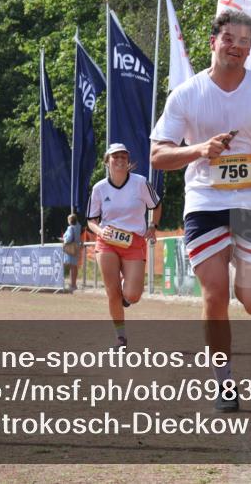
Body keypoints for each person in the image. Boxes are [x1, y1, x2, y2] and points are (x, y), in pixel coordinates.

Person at [150, 9, 251, 413]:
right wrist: (199, 149)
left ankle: (245, 270)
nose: (237, 46)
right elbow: (157, 155)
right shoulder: (186, 94)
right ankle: (224, 382)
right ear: (213, 42)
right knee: (214, 294)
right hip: (206, 202)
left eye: (245, 41)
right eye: (230, 38)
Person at [86, 143, 162, 348]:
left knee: (132, 295)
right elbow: (91, 220)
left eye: (123, 157)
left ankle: (124, 290)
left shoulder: (140, 183)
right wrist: (101, 231)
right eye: (115, 157)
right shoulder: (99, 188)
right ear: (107, 161)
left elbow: (155, 205)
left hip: (133, 241)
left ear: (128, 161)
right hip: (106, 242)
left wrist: (152, 226)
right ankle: (120, 337)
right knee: (112, 292)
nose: (119, 160)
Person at [61, 214, 82, 293]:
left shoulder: (70, 228)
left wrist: (64, 239)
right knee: (74, 266)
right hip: (76, 247)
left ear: (70, 221)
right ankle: (73, 284)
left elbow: (69, 238)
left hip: (70, 248)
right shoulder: (78, 227)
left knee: (70, 266)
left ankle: (72, 284)